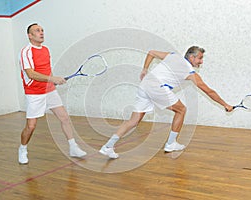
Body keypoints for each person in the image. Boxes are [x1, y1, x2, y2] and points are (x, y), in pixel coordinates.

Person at [99, 46, 233, 159]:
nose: (201, 62)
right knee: (181, 110)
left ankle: (108, 146)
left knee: (133, 121)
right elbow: (209, 92)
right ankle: (171, 143)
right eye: (200, 58)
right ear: (192, 57)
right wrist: (225, 104)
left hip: (144, 85)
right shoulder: (190, 71)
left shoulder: (173, 56)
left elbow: (151, 52)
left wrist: (145, 69)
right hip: (157, 87)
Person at [18, 23, 87, 164]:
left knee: (64, 118)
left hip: (49, 90)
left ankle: (73, 147)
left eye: (42, 30)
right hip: (34, 93)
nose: (41, 32)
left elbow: (46, 70)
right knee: (31, 126)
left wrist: (53, 80)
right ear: (30, 35)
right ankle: (23, 149)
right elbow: (31, 74)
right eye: (37, 31)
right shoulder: (26, 51)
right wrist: (51, 79)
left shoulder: (45, 50)